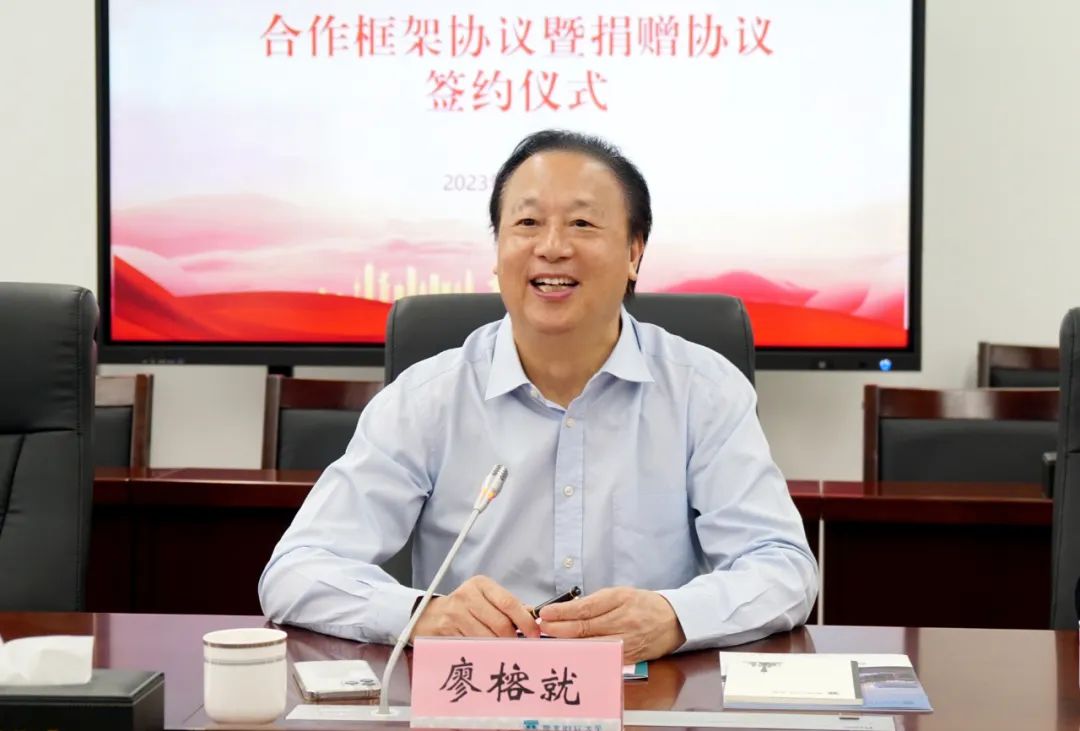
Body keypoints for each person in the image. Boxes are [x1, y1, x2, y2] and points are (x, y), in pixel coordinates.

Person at [259, 129, 818, 662]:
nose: (552, 248)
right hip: (477, 698)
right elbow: (297, 570)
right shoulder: (427, 398)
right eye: (527, 222)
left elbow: (783, 568)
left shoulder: (704, 391)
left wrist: (673, 617)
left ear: (634, 253)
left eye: (582, 223)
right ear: (498, 248)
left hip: (648, 698)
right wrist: (422, 615)